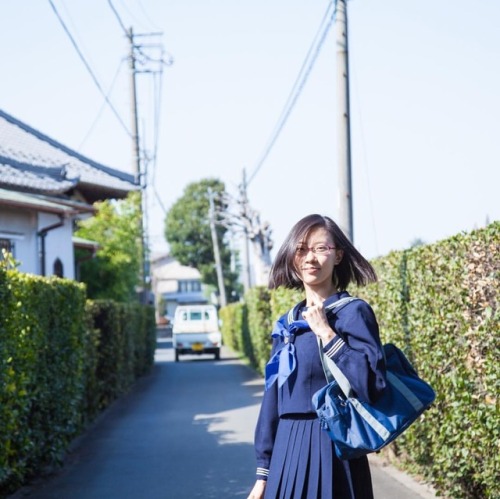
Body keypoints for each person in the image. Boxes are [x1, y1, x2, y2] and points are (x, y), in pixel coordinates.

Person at [247, 214, 387, 499]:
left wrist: (327, 334)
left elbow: (373, 385)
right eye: (302, 249)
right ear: (292, 257)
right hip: (287, 449)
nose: (310, 258)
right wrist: (263, 473)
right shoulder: (286, 323)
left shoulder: (353, 312)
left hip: (335, 448)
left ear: (338, 256)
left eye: (321, 248)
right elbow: (272, 398)